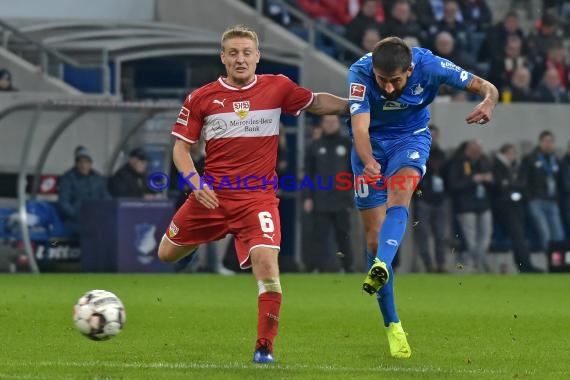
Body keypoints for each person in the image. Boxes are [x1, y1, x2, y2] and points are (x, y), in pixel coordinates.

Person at [157, 25, 348, 364]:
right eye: (233, 53)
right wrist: (195, 183)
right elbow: (181, 150)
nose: (240, 59)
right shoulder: (201, 98)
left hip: (257, 200)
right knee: (166, 254)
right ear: (223, 58)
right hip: (212, 196)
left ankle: (264, 346)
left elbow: (317, 103)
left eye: (247, 52)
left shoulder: (278, 88)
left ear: (257, 57)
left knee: (266, 266)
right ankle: (191, 247)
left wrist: (354, 107)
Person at [347, 36, 498, 358]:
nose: (388, 88)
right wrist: (369, 160)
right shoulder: (359, 72)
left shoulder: (432, 66)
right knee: (374, 239)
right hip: (370, 144)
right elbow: (360, 129)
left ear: (411, 70)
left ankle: (381, 267)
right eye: (382, 80)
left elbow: (487, 86)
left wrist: (488, 101)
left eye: (396, 81)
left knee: (400, 198)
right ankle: (393, 325)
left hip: (410, 139)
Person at [303, 115, 354, 273]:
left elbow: (354, 172)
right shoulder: (315, 145)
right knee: (318, 235)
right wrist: (307, 197)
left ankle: (347, 267)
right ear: (322, 124)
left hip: (342, 198)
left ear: (338, 124)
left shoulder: (347, 144)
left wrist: (355, 194)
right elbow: (308, 173)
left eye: (333, 122)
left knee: (343, 235)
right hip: (321, 198)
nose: (330, 124)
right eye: (327, 121)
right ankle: (314, 267)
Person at [490, 144, 542, 272]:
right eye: (512, 153)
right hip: (505, 206)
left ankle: (524, 264)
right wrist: (513, 185)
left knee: (520, 236)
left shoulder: (513, 166)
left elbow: (521, 184)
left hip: (515, 205)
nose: (514, 156)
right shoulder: (497, 166)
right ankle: (525, 266)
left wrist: (511, 184)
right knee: (518, 235)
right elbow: (501, 186)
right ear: (505, 153)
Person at [447, 139, 493, 273]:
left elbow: (493, 181)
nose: (477, 154)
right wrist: (472, 180)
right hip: (466, 206)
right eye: (475, 151)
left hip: (483, 205)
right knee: (471, 238)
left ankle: (479, 261)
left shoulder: (484, 161)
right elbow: (453, 185)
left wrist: (489, 180)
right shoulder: (458, 162)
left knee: (486, 235)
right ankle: (477, 265)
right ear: (469, 150)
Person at [519, 131, 565, 254]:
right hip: (536, 201)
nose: (548, 144)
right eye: (546, 141)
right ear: (540, 142)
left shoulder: (555, 159)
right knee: (545, 234)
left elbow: (560, 181)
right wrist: (530, 198)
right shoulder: (530, 159)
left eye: (551, 142)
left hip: (552, 200)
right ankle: (551, 262)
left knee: (558, 234)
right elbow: (523, 180)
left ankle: (558, 265)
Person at [413, 125, 448, 273]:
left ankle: (441, 264)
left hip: (439, 200)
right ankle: (428, 264)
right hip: (423, 199)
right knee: (423, 233)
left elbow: (447, 176)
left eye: (435, 135)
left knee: (440, 234)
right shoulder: (417, 152)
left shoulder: (441, 154)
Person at [58, 146, 111, 234]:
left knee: (112, 227)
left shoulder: (97, 179)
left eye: (86, 162)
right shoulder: (68, 178)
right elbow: (63, 203)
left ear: (91, 164)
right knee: (92, 230)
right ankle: (57, 245)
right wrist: (77, 215)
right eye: (80, 162)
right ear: (76, 164)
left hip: (96, 218)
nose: (83, 165)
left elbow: (107, 198)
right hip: (74, 220)